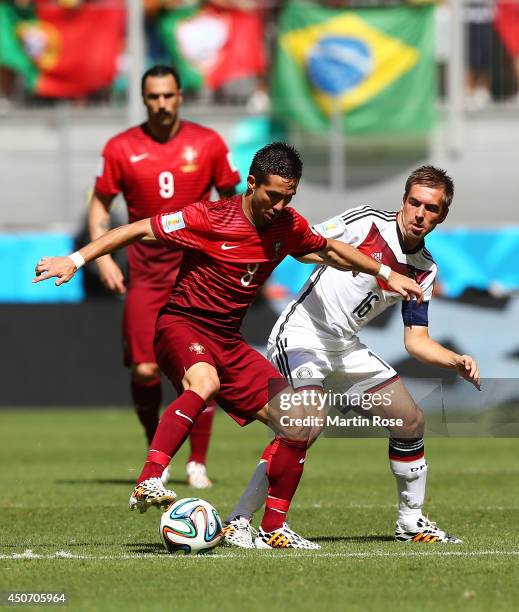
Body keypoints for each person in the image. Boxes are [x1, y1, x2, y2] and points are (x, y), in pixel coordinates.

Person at [34, 142, 423, 550]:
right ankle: (150, 478)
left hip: (228, 341)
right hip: (182, 325)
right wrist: (75, 260)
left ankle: (272, 528)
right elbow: (136, 229)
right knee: (204, 383)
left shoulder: (287, 224)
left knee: (301, 422)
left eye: (289, 197)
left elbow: (328, 249)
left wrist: (384, 272)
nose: (280, 205)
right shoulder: (208, 217)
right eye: (273, 195)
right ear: (251, 183)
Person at [222, 165, 480, 548]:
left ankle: (410, 521)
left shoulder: (425, 269)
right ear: (403, 201)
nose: (420, 213)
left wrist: (454, 360)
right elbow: (306, 246)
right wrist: (366, 264)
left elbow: (417, 342)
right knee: (304, 426)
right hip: (301, 334)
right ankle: (239, 521)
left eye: (431, 208)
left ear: (442, 214)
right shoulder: (367, 222)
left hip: (345, 347)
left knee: (410, 420)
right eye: (414, 203)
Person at [88, 64, 240, 488]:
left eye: (168, 95)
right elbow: (100, 205)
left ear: (180, 96)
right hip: (146, 274)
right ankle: (157, 445)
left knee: (201, 370)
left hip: (197, 274)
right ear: (143, 99)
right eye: (153, 97)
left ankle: (198, 463)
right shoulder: (120, 148)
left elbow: (234, 202)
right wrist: (101, 258)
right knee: (143, 370)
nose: (161, 104)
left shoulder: (208, 143)